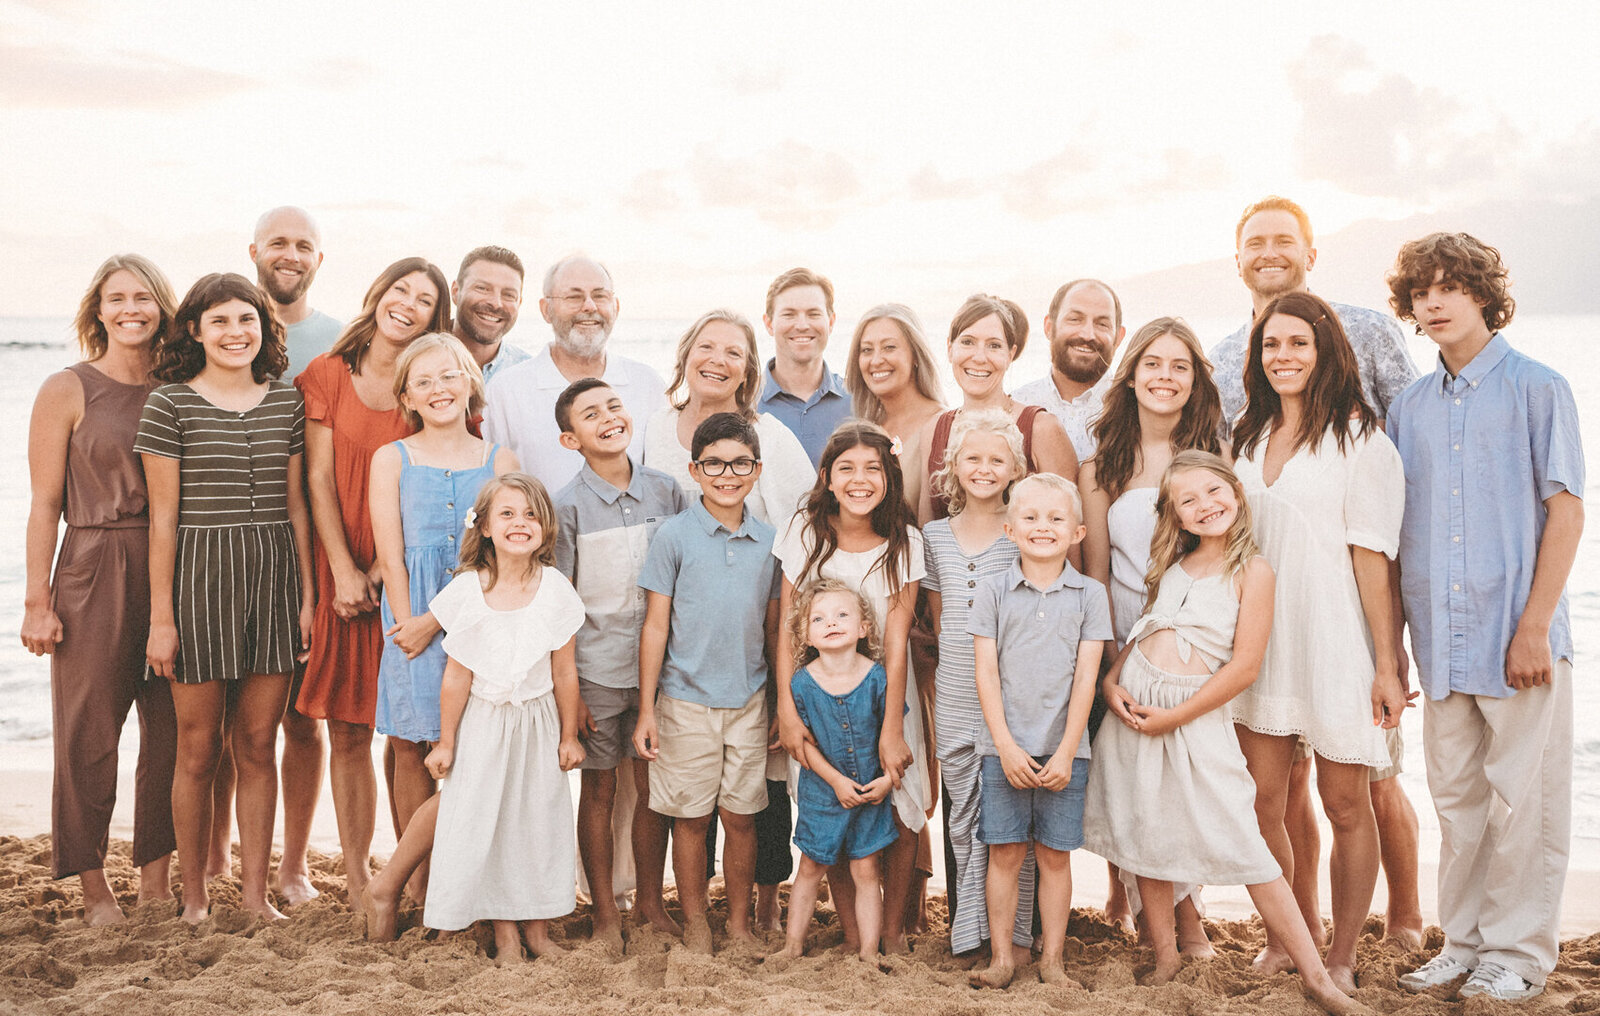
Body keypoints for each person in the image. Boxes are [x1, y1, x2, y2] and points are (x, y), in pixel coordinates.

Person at [1217, 194, 1425, 952]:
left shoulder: (1361, 439)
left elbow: (1374, 560)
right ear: (1257, 356)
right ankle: (1291, 937)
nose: (1284, 357)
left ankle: (1345, 954)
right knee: (1265, 801)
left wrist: (1386, 660)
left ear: (1325, 349)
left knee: (1348, 803)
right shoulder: (1246, 438)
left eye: (1298, 344)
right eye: (1272, 347)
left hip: (1337, 639)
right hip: (1264, 642)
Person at [1083, 453, 1362, 1015]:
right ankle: (1165, 956)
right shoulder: (1173, 564)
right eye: (1188, 501)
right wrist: (1112, 684)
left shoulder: (1252, 571)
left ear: (1236, 492)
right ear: (1176, 516)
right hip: (1136, 713)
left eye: (1214, 492)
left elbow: (1243, 668)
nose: (1205, 506)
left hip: (1191, 722)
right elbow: (1144, 634)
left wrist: (1176, 716)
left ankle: (1316, 975)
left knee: (1246, 842)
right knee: (1145, 831)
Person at [1388, 234, 1584, 1002]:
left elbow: (1565, 515)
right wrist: (1396, 649)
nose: (1433, 303)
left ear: (1482, 294)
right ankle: (1464, 943)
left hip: (1517, 637)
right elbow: (1401, 535)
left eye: (1450, 288)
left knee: (1530, 803)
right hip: (1441, 641)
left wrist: (1534, 625)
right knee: (1460, 805)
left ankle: (1521, 953)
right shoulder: (1408, 407)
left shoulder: (1540, 388)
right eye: (1421, 292)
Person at [135, 273, 314, 923]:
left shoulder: (287, 402)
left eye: (247, 320)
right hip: (198, 585)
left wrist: (307, 598)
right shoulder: (169, 405)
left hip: (272, 583)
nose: (235, 332)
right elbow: (162, 520)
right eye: (220, 321)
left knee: (259, 744)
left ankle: (259, 898)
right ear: (195, 331)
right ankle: (194, 899)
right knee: (198, 748)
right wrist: (161, 619)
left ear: (265, 328)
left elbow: (297, 509)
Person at [23, 254, 179, 925]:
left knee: (173, 732)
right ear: (98, 310)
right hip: (91, 564)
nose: (130, 309)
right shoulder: (68, 387)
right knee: (89, 733)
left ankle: (155, 882)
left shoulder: (183, 386)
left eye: (143, 297)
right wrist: (37, 599)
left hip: (174, 563)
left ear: (162, 307)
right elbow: (43, 503)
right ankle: (93, 888)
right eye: (116, 299)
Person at [295, 257, 450, 910]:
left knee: (411, 735)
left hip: (410, 577)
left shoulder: (431, 384)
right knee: (349, 732)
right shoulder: (328, 375)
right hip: (343, 577)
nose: (407, 303)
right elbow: (318, 481)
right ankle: (358, 878)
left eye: (423, 299)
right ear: (378, 295)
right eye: (400, 290)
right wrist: (343, 571)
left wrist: (388, 568)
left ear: (433, 318)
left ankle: (416, 880)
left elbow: (443, 474)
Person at [1078, 318, 1222, 943]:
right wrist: (1111, 656)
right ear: (1131, 374)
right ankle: (1155, 916)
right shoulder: (1100, 465)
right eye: (1153, 364)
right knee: (1130, 778)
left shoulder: (1214, 459)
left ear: (1194, 381)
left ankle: (1188, 916)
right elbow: (1097, 570)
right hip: (1122, 634)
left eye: (1180, 366)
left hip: (1193, 638)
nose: (1165, 376)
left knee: (1180, 779)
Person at [368, 333, 515, 899]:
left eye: (449, 376)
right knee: (413, 746)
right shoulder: (393, 459)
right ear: (406, 396)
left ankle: (468, 877)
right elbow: (391, 550)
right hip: (411, 623)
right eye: (423, 381)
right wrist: (410, 625)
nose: (438, 389)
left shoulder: (498, 459)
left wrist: (442, 620)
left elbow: (504, 552)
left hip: (484, 617)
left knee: (476, 746)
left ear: (470, 383)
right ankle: (416, 884)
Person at [773, 422, 929, 954]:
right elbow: (787, 628)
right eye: (847, 468)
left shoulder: (905, 542)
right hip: (817, 700)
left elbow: (899, 639)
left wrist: (892, 728)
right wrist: (787, 711)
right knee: (831, 809)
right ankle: (853, 928)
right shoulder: (804, 530)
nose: (860, 479)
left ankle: (892, 931)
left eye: (873, 468)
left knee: (902, 806)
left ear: (890, 476)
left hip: (887, 696)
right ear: (827, 477)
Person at [419, 474, 586, 961]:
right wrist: (446, 742)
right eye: (508, 514)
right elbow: (456, 677)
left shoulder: (555, 588)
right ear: (485, 527)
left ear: (545, 526)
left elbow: (565, 671)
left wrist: (569, 735)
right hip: (484, 725)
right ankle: (504, 931)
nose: (520, 523)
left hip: (538, 725)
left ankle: (537, 929)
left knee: (535, 822)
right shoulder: (467, 590)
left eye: (531, 514)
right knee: (486, 821)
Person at [633, 413, 781, 954]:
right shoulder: (673, 536)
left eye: (740, 463)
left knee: (741, 817)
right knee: (690, 820)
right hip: (683, 701)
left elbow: (772, 630)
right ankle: (697, 922)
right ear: (695, 469)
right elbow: (655, 626)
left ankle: (738, 923)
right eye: (714, 463)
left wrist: (778, 706)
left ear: (757, 470)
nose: (727, 474)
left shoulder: (769, 542)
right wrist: (647, 709)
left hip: (748, 702)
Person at [551, 377, 688, 947]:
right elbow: (559, 605)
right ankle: (605, 908)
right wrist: (573, 692)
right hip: (598, 672)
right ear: (570, 438)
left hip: (664, 671)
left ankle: (651, 902)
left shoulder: (667, 491)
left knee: (654, 787)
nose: (608, 417)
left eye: (614, 405)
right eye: (590, 414)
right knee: (601, 791)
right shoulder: (566, 507)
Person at [967, 473, 1109, 989]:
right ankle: (1003, 958)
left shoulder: (1090, 596)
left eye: (1055, 518)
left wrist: (1068, 751)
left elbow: (1086, 680)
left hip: (1065, 752)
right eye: (1030, 517)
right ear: (1009, 529)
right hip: (1003, 749)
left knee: (1054, 855)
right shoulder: (992, 591)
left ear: (1077, 532)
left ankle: (1052, 960)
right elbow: (986, 674)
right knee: (1003, 853)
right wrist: (1003, 746)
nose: (1042, 527)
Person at [921, 409, 1027, 957]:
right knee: (962, 810)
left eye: (996, 459)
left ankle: (1015, 935)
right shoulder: (934, 537)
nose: (984, 468)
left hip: (1011, 694)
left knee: (1007, 816)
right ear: (953, 465)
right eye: (973, 458)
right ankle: (968, 931)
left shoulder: (1022, 533)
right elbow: (942, 627)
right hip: (956, 689)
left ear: (1014, 468)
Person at [772, 580, 896, 967]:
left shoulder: (877, 678)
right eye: (819, 618)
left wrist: (888, 782)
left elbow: (891, 738)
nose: (831, 623)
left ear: (863, 628)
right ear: (806, 634)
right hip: (822, 793)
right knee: (810, 867)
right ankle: (793, 944)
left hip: (870, 792)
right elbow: (803, 745)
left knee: (866, 869)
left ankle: (868, 952)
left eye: (843, 615)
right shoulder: (802, 683)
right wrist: (836, 781)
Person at [482, 255, 666, 492]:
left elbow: (660, 485)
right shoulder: (506, 390)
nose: (589, 306)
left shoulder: (648, 384)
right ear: (546, 310)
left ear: (616, 307)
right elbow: (490, 487)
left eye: (600, 295)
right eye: (574, 296)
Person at [915, 294, 1078, 523]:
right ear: (950, 348)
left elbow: (1069, 530)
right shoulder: (933, 429)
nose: (979, 357)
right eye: (968, 342)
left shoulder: (1042, 428)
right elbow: (927, 528)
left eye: (994, 345)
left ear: (1010, 354)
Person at [643, 309, 813, 525]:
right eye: (706, 347)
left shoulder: (770, 436)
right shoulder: (657, 426)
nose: (717, 360)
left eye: (733, 353)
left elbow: (805, 526)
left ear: (746, 374)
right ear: (686, 356)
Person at [843, 302, 946, 518]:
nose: (876, 360)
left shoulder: (944, 426)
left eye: (889, 347)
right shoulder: (863, 430)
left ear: (916, 355)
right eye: (867, 350)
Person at [1014, 279, 1128, 462]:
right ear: (1049, 327)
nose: (1087, 334)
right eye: (1075, 319)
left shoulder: (1135, 410)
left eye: (1102, 324)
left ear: (1118, 337)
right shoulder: (1017, 406)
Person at [758, 267, 853, 464]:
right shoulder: (744, 402)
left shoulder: (858, 401)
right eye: (789, 314)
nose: (802, 325)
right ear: (769, 324)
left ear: (831, 322)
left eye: (813, 314)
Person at [251, 206, 342, 381]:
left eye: (304, 247)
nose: (292, 256)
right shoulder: (224, 335)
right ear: (254, 253)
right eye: (278, 244)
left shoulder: (342, 342)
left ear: (319, 260)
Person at [450, 246, 530, 385]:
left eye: (508, 295)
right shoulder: (414, 355)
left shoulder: (529, 375)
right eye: (482, 288)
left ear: (519, 303)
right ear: (456, 292)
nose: (496, 303)